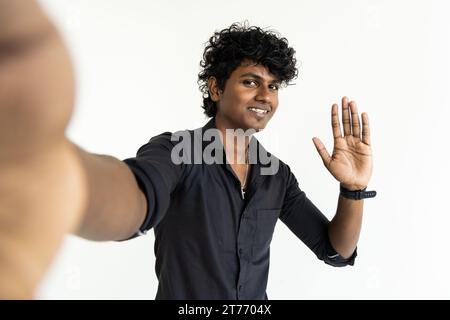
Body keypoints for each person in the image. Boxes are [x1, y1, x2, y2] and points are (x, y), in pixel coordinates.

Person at [0, 0, 375, 299]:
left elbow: (334, 251)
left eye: (274, 86)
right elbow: (135, 197)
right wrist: (68, 174)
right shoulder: (178, 150)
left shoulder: (277, 175)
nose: (265, 96)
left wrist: (353, 189)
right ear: (215, 88)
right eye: (251, 81)